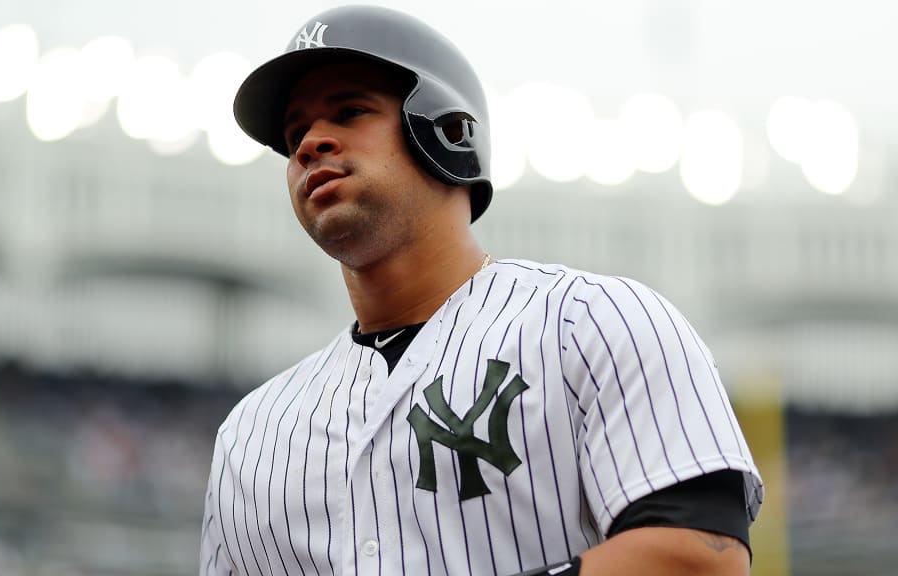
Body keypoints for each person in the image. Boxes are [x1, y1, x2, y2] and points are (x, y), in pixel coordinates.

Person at [201, 6, 763, 576]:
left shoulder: (592, 322)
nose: (310, 145)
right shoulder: (251, 433)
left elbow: (698, 560)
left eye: (349, 111)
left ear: (446, 130)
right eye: (295, 133)